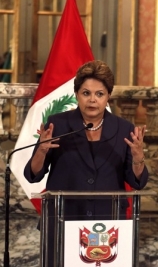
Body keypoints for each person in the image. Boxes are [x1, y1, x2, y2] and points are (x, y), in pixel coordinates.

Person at [24, 60, 149, 264]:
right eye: (86, 93)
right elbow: (33, 174)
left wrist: (138, 158)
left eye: (99, 94)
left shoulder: (124, 129)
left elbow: (138, 182)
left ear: (108, 96)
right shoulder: (59, 124)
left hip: (109, 226)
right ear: (77, 95)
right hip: (62, 220)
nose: (92, 100)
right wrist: (41, 150)